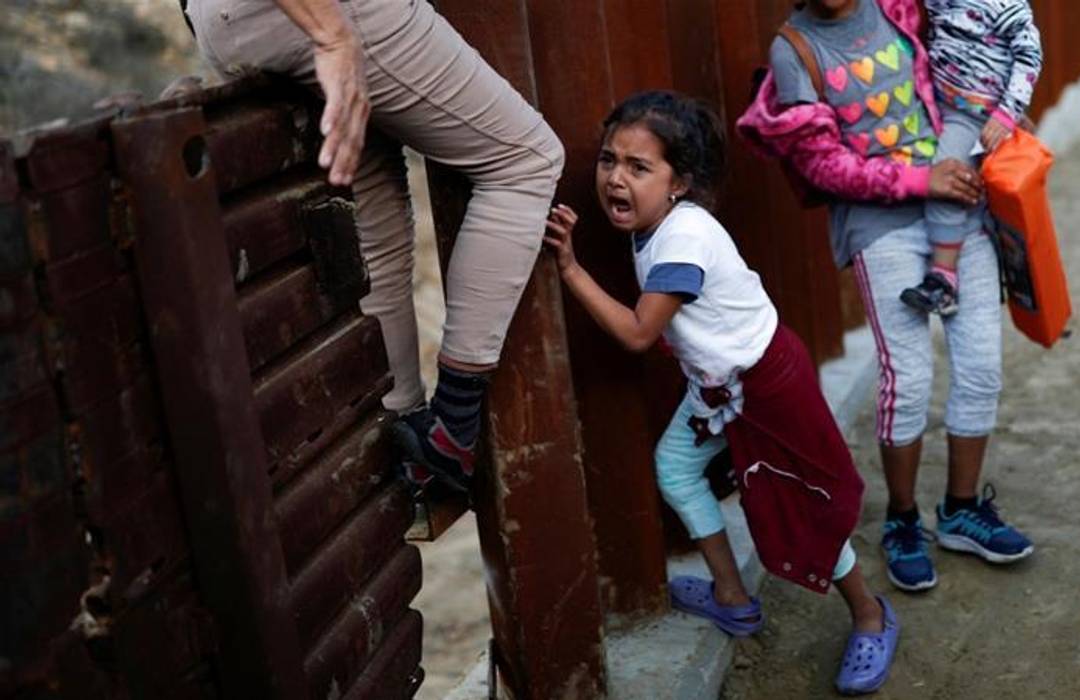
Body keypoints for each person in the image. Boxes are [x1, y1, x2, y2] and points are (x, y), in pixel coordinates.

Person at [544, 90, 898, 695]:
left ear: (679, 182)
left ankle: (870, 614)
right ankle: (732, 596)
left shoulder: (683, 239)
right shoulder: (652, 226)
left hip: (768, 387)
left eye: (639, 167)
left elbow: (637, 333)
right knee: (676, 468)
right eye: (609, 160)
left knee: (803, 506)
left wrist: (572, 269)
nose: (615, 179)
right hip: (719, 389)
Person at [182, 0, 566, 492]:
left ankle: (405, 435)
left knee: (377, 213)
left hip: (236, 20)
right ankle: (454, 424)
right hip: (321, 13)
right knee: (526, 160)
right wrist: (333, 36)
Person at [738, 0, 1034, 595]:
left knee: (981, 365)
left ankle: (961, 509)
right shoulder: (794, 50)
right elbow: (823, 165)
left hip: (958, 202)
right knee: (909, 376)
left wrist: (999, 108)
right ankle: (902, 521)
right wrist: (922, 179)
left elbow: (985, 35)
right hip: (879, 225)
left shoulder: (900, 6)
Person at [902, 0, 1043, 317]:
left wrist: (1008, 112)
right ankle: (996, 270)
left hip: (979, 116)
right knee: (977, 200)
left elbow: (1030, 55)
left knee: (949, 179)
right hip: (946, 106)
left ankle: (943, 279)